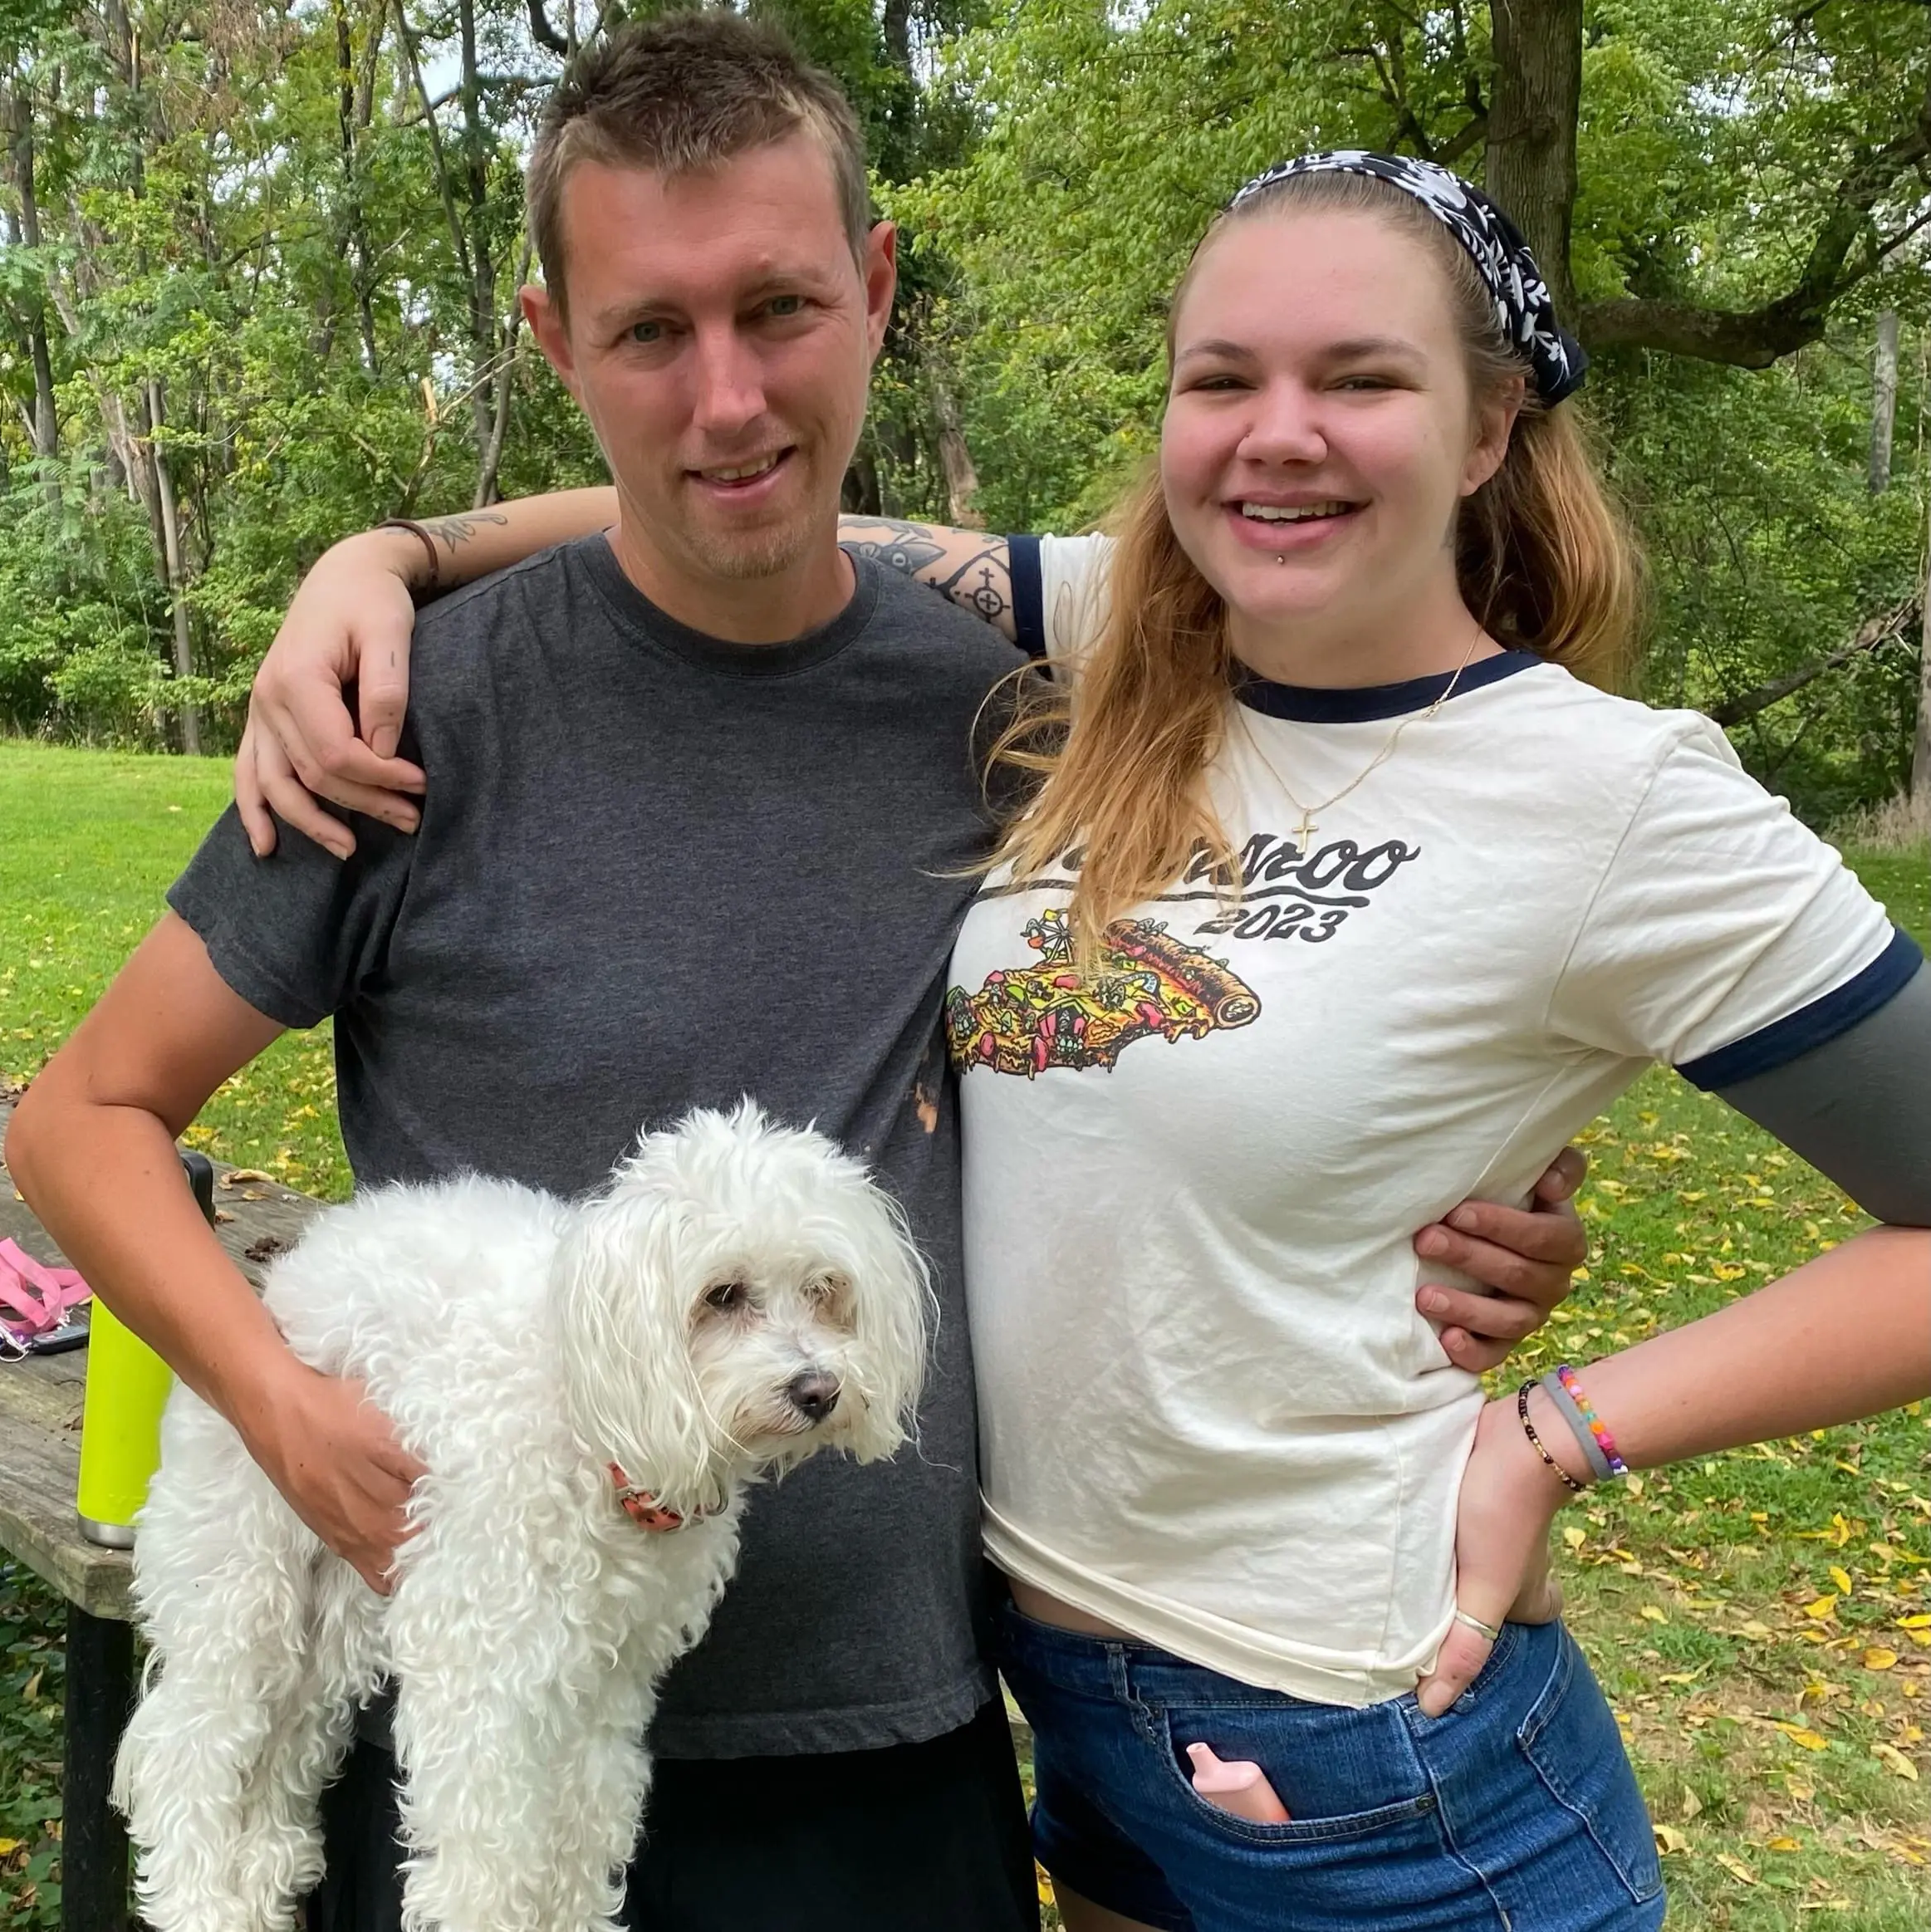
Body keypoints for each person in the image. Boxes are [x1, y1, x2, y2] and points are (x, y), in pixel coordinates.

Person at [3, 22, 1590, 1932]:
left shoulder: (1017, 716)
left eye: (779, 308)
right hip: (471, 1724)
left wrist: (1454, 1192)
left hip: (890, 1736)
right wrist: (275, 1402)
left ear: (877, 289)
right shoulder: (402, 718)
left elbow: (1211, 1040)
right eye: (648, 331)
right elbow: (83, 1116)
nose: (727, 396)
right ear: (552, 339)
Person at [248, 146, 1931, 1931]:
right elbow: (734, 498)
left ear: (1489, 422)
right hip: (1078, 1717)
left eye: (1359, 377)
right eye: (1222, 378)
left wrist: (1560, 1430)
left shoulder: (1615, 797)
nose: (1277, 435)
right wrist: (389, 555)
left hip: (1371, 1740)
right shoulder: (1137, 638)